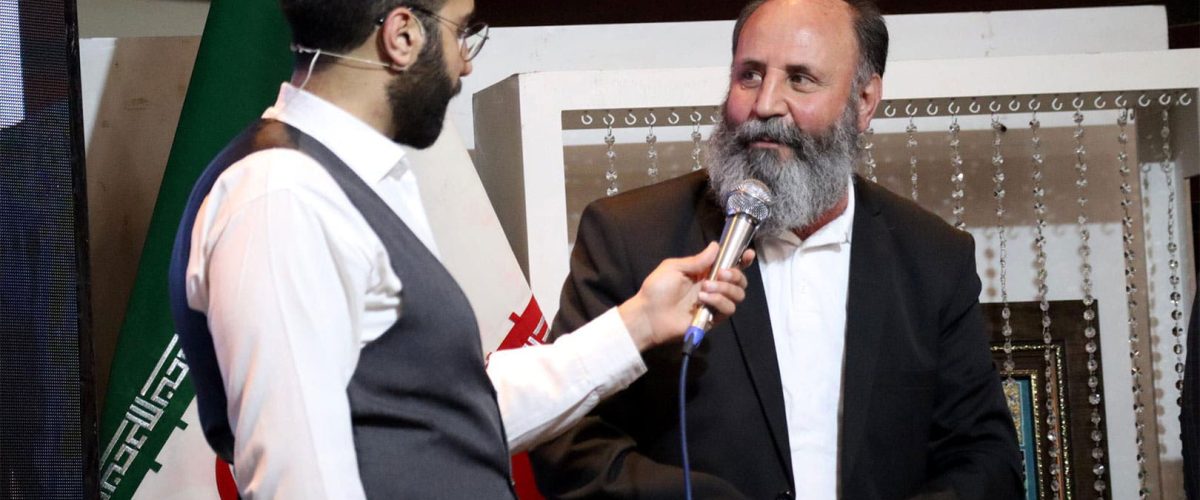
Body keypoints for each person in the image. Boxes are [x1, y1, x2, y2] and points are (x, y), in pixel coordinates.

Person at [166, 0, 752, 498]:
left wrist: (639, 322)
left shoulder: (342, 180)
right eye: (462, 31)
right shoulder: (283, 194)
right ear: (402, 36)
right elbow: (299, 475)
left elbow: (446, 415)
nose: (466, 63)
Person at [530, 0, 1023, 498]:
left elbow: (985, 457)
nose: (765, 104)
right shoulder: (630, 236)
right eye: (749, 75)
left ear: (864, 101)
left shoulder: (932, 257)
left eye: (800, 79)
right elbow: (566, 441)